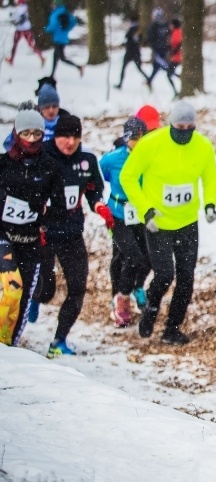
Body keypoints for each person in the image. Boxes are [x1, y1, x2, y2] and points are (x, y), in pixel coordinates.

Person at [119, 100, 216, 344]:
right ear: (170, 124)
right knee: (164, 274)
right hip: (158, 223)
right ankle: (151, 311)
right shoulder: (151, 144)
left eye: (189, 127)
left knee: (187, 277)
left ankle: (172, 328)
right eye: (179, 126)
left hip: (187, 222)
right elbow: (128, 177)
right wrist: (146, 211)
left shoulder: (203, 146)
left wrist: (209, 204)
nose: (184, 131)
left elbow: (210, 176)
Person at [32, 115, 112, 357]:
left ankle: (58, 341)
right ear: (55, 136)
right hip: (44, 232)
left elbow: (93, 190)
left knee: (78, 287)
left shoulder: (86, 161)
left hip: (71, 232)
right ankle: (35, 296)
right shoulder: (41, 157)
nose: (70, 142)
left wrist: (99, 206)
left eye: (76, 137)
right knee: (47, 292)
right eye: (65, 136)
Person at [0, 104, 65, 347]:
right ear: (17, 134)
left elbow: (61, 207)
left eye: (36, 134)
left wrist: (45, 209)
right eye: (26, 134)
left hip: (31, 241)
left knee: (24, 296)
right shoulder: (4, 164)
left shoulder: (49, 166)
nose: (31, 139)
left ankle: (10, 347)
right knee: (12, 289)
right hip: (3, 236)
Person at [100, 118, 151, 327]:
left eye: (141, 138)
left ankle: (136, 287)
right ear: (126, 138)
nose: (137, 143)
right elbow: (101, 173)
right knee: (131, 255)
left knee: (147, 256)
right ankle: (121, 300)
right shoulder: (112, 159)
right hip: (118, 214)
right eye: (134, 139)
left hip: (141, 213)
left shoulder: (149, 158)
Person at [45, 0, 84, 78]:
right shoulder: (66, 12)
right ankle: (53, 75)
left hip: (57, 38)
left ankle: (78, 67)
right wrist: (66, 30)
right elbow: (73, 22)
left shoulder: (55, 14)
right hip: (64, 38)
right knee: (59, 57)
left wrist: (46, 29)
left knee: (59, 57)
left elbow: (52, 26)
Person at [146, 8, 178, 96]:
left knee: (162, 66)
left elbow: (169, 34)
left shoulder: (160, 25)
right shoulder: (157, 25)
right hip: (160, 49)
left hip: (162, 49)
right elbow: (151, 38)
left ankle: (176, 76)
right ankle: (150, 81)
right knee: (158, 66)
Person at [4, 0, 45, 67]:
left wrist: (15, 20)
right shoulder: (25, 7)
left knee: (15, 45)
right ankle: (41, 56)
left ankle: (11, 60)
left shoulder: (22, 8)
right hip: (26, 28)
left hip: (20, 29)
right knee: (31, 44)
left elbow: (20, 18)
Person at [115, 14, 148, 89]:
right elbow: (140, 40)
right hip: (136, 52)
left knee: (124, 68)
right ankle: (149, 79)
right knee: (139, 69)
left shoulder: (133, 29)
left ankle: (120, 84)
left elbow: (131, 40)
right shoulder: (138, 29)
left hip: (130, 52)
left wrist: (126, 44)